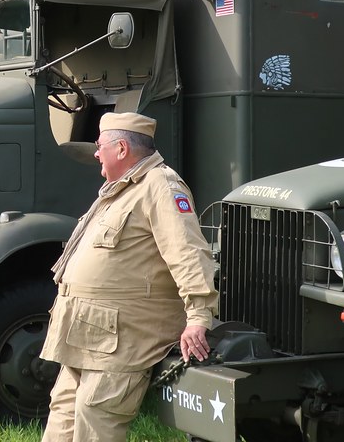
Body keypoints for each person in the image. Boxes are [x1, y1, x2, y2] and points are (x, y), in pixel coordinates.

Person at [40, 112, 218, 442]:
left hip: (120, 341)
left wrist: (198, 316)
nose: (95, 153)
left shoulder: (160, 187)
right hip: (83, 335)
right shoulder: (119, 190)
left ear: (121, 149)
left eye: (100, 146)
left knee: (96, 425)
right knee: (61, 422)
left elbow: (188, 252)